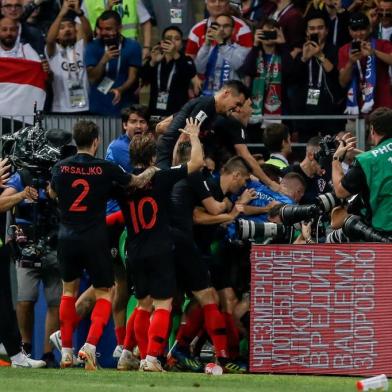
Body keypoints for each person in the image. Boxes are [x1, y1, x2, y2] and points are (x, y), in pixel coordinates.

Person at [49, 120, 156, 370]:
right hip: (95, 237)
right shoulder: (105, 168)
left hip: (66, 236)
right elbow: (136, 182)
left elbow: (53, 194)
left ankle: (66, 351)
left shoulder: (61, 167)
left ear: (76, 141)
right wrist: (154, 170)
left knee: (68, 292)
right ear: (96, 141)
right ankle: (90, 346)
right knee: (105, 292)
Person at [113, 119, 203, 372]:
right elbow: (195, 164)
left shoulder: (122, 184)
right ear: (153, 155)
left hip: (134, 249)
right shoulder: (161, 177)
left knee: (142, 305)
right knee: (163, 305)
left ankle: (136, 355)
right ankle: (152, 358)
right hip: (159, 247)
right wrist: (194, 136)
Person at [156, 80, 278, 191]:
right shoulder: (207, 106)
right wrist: (173, 171)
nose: (236, 109)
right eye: (237, 103)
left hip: (167, 160)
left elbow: (160, 126)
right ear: (227, 93)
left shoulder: (203, 105)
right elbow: (185, 136)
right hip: (168, 163)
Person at [0, 159, 62, 367]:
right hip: (27, 248)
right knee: (22, 300)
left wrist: (54, 194)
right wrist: (22, 194)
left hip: (54, 245)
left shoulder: (60, 172)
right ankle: (21, 349)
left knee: (54, 302)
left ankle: (43, 355)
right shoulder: (21, 177)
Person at [332, 106, 392, 234]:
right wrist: (356, 154)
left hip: (383, 232)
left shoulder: (367, 160)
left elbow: (340, 191)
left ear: (372, 129)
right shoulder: (368, 159)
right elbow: (385, 159)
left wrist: (336, 159)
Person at [290, 11, 344, 140]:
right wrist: (303, 58)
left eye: (320, 28)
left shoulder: (335, 50)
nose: (316, 32)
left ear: (326, 30)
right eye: (312, 28)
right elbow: (292, 80)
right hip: (306, 115)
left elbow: (337, 79)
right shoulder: (301, 52)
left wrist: (320, 55)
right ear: (307, 32)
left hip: (330, 114)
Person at [85, 10, 142, 116]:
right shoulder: (92, 46)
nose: (103, 32)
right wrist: (103, 60)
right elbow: (92, 78)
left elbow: (132, 77)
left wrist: (120, 90)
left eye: (108, 29)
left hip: (125, 106)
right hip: (98, 105)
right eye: (101, 29)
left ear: (119, 28)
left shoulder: (132, 46)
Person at [338, 12, 392, 114]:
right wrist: (350, 62)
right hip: (356, 106)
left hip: (382, 105)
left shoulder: (382, 44)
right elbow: (343, 82)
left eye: (362, 29)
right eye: (354, 29)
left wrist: (374, 52)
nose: (358, 33)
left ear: (369, 29)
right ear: (349, 30)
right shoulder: (344, 50)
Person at [45, 0, 92, 114]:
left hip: (85, 108)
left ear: (75, 31)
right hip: (60, 109)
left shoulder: (81, 47)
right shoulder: (53, 50)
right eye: (62, 28)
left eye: (70, 26)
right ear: (57, 34)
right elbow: (50, 40)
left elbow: (89, 34)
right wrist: (61, 14)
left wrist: (80, 13)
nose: (67, 29)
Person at [141, 25, 196, 118]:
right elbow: (143, 77)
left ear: (182, 44)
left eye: (177, 39)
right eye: (169, 38)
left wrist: (174, 53)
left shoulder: (186, 59)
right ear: (162, 42)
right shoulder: (156, 58)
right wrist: (152, 62)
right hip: (155, 112)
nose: (172, 41)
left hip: (177, 114)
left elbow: (188, 75)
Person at [194, 13, 251, 96]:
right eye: (218, 26)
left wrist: (221, 43)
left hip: (232, 100)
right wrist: (206, 44)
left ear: (233, 30)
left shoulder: (242, 50)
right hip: (208, 98)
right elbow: (199, 69)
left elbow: (238, 65)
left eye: (226, 26)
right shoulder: (209, 49)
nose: (221, 29)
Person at [82, 0, 152, 59]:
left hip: (128, 50)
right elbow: (84, 31)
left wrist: (146, 47)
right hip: (101, 51)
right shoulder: (88, 2)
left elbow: (145, 20)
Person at [185, 0, 253, 59]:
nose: (217, 4)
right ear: (206, 4)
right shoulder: (196, 30)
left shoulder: (242, 28)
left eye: (221, 0)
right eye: (213, 1)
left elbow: (248, 63)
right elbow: (189, 63)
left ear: (228, 3)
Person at [285, 135, 332, 204]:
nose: (325, 166)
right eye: (323, 160)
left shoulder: (325, 176)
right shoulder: (289, 173)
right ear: (310, 155)